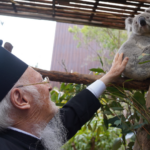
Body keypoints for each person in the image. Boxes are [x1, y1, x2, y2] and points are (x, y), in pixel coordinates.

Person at [0, 41, 129, 150]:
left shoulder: (32, 135)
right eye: (42, 80)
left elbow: (72, 115)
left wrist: (109, 76)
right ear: (21, 99)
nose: (50, 87)